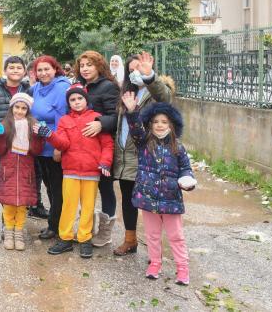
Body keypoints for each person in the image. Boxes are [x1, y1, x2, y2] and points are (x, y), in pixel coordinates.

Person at [121, 94, 194, 285]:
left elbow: (186, 168)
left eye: (164, 122)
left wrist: (187, 179)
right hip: (148, 198)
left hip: (171, 199)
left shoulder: (178, 146)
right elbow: (136, 129)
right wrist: (132, 112)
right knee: (152, 235)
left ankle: (182, 268)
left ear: (172, 125)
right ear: (150, 124)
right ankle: (155, 263)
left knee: (176, 236)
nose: (160, 125)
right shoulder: (144, 142)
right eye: (155, 122)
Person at [39, 84, 113, 259]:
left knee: (88, 207)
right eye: (72, 99)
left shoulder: (97, 118)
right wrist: (49, 135)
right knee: (69, 206)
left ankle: (84, 238)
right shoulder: (65, 120)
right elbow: (63, 144)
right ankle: (65, 238)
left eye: (80, 98)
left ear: (86, 100)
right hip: (70, 170)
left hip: (92, 172)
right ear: (68, 103)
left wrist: (105, 163)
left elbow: (108, 145)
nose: (77, 102)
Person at [112, 51, 173, 256]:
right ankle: (130, 240)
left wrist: (149, 77)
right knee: (128, 200)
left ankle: (156, 248)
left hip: (147, 156)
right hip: (125, 156)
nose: (134, 74)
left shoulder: (154, 93)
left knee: (150, 204)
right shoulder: (126, 93)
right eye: (131, 71)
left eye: (138, 69)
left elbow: (165, 97)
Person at [74, 50, 120, 247]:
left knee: (105, 188)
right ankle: (86, 226)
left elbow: (117, 116)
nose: (85, 69)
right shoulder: (79, 86)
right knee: (85, 188)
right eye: (82, 65)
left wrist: (101, 123)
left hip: (103, 147)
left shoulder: (108, 87)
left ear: (99, 66)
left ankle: (105, 232)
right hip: (82, 147)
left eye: (89, 65)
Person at [0, 56, 34, 204]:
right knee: (2, 183)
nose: (15, 70)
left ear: (24, 72)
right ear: (4, 70)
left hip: (23, 147)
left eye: (19, 68)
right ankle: (6, 221)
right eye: (11, 67)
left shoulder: (30, 90)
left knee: (23, 183)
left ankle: (20, 218)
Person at [0, 93, 44, 250]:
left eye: (24, 108)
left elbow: (36, 151)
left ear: (28, 110)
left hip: (25, 173)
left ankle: (19, 232)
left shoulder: (32, 125)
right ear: (11, 107)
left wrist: (37, 136)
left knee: (22, 206)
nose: (20, 111)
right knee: (8, 205)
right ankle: (8, 232)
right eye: (17, 107)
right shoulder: (5, 124)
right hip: (8, 170)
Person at [29, 55, 72, 240]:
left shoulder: (62, 87)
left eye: (47, 69)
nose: (43, 73)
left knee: (57, 189)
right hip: (40, 146)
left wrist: (58, 148)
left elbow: (63, 120)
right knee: (49, 187)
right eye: (40, 70)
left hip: (55, 145)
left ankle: (56, 227)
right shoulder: (37, 88)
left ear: (55, 69)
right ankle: (55, 223)